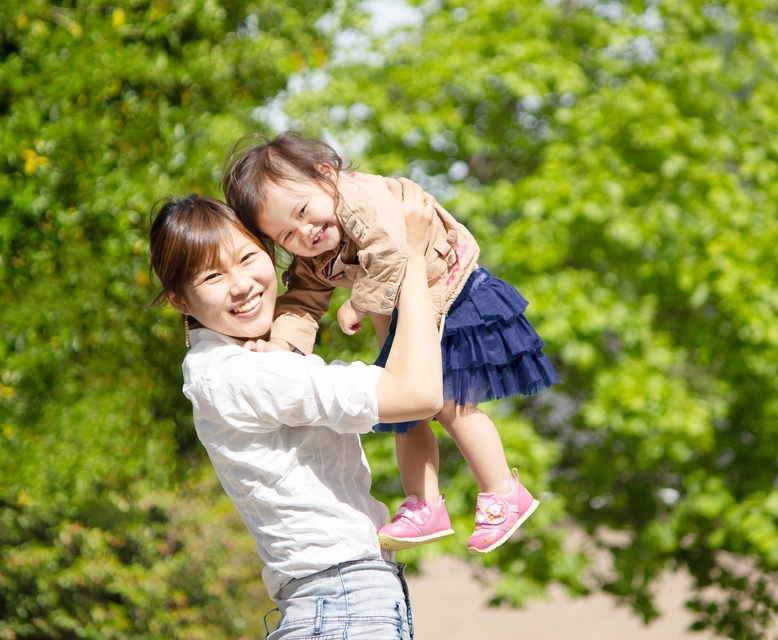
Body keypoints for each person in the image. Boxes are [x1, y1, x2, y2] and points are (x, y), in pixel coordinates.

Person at [222, 132, 560, 555]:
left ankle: (504, 493)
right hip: (412, 319)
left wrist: (358, 304)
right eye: (287, 235)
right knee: (407, 415)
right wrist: (282, 345)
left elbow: (393, 249)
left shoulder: (362, 197)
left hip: (455, 296)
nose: (305, 233)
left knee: (453, 405)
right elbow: (304, 300)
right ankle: (424, 504)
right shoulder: (317, 249)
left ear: (326, 174)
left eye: (304, 211)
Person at [148, 179, 440, 639]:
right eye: (212, 277)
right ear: (180, 300)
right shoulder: (241, 374)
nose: (242, 286)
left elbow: (400, 380)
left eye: (247, 259)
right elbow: (418, 394)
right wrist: (414, 257)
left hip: (343, 602)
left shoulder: (254, 360)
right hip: (343, 606)